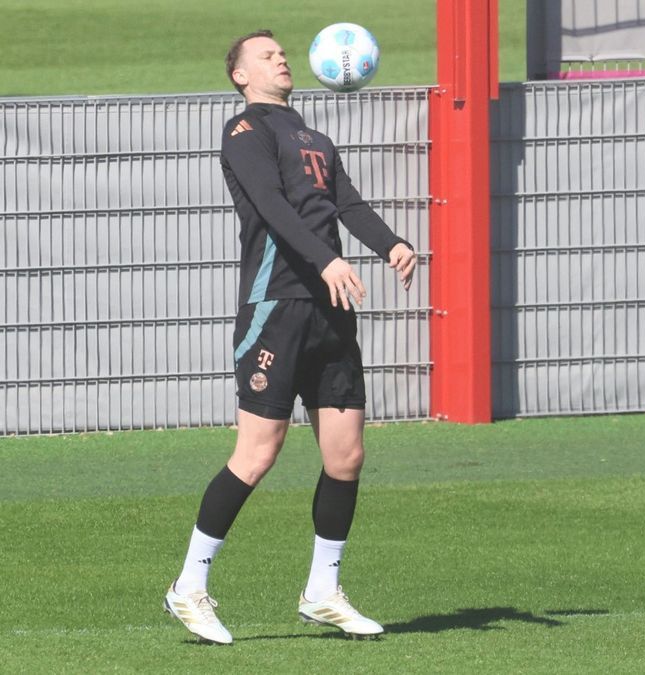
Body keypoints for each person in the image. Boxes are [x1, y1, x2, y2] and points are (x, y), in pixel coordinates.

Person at [163, 29, 417, 644]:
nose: (281, 59)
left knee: (347, 455)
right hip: (275, 307)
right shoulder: (245, 132)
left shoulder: (316, 139)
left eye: (281, 53)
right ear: (241, 76)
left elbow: (345, 204)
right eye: (266, 55)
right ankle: (188, 587)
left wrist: (392, 244)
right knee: (257, 452)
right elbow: (274, 207)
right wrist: (326, 261)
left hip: (330, 312)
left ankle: (323, 591)